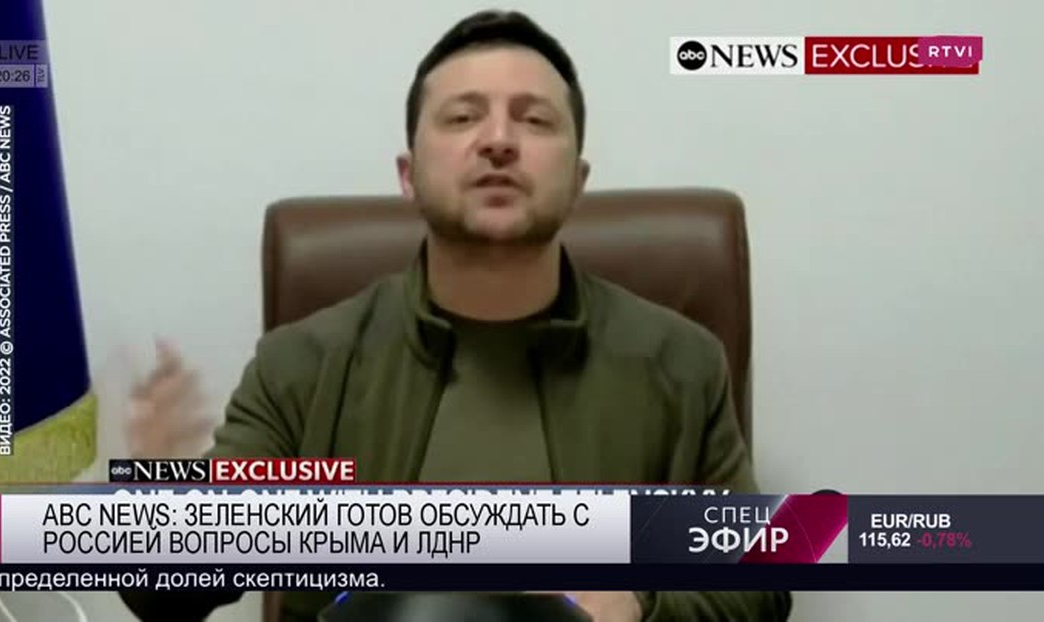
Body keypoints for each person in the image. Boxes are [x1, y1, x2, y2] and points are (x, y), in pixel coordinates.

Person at [120, 9, 791, 622]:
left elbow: (764, 578)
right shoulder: (302, 366)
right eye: (463, 117)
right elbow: (166, 595)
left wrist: (640, 607)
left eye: (534, 121)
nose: (498, 141)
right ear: (408, 175)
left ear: (578, 182)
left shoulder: (679, 363)